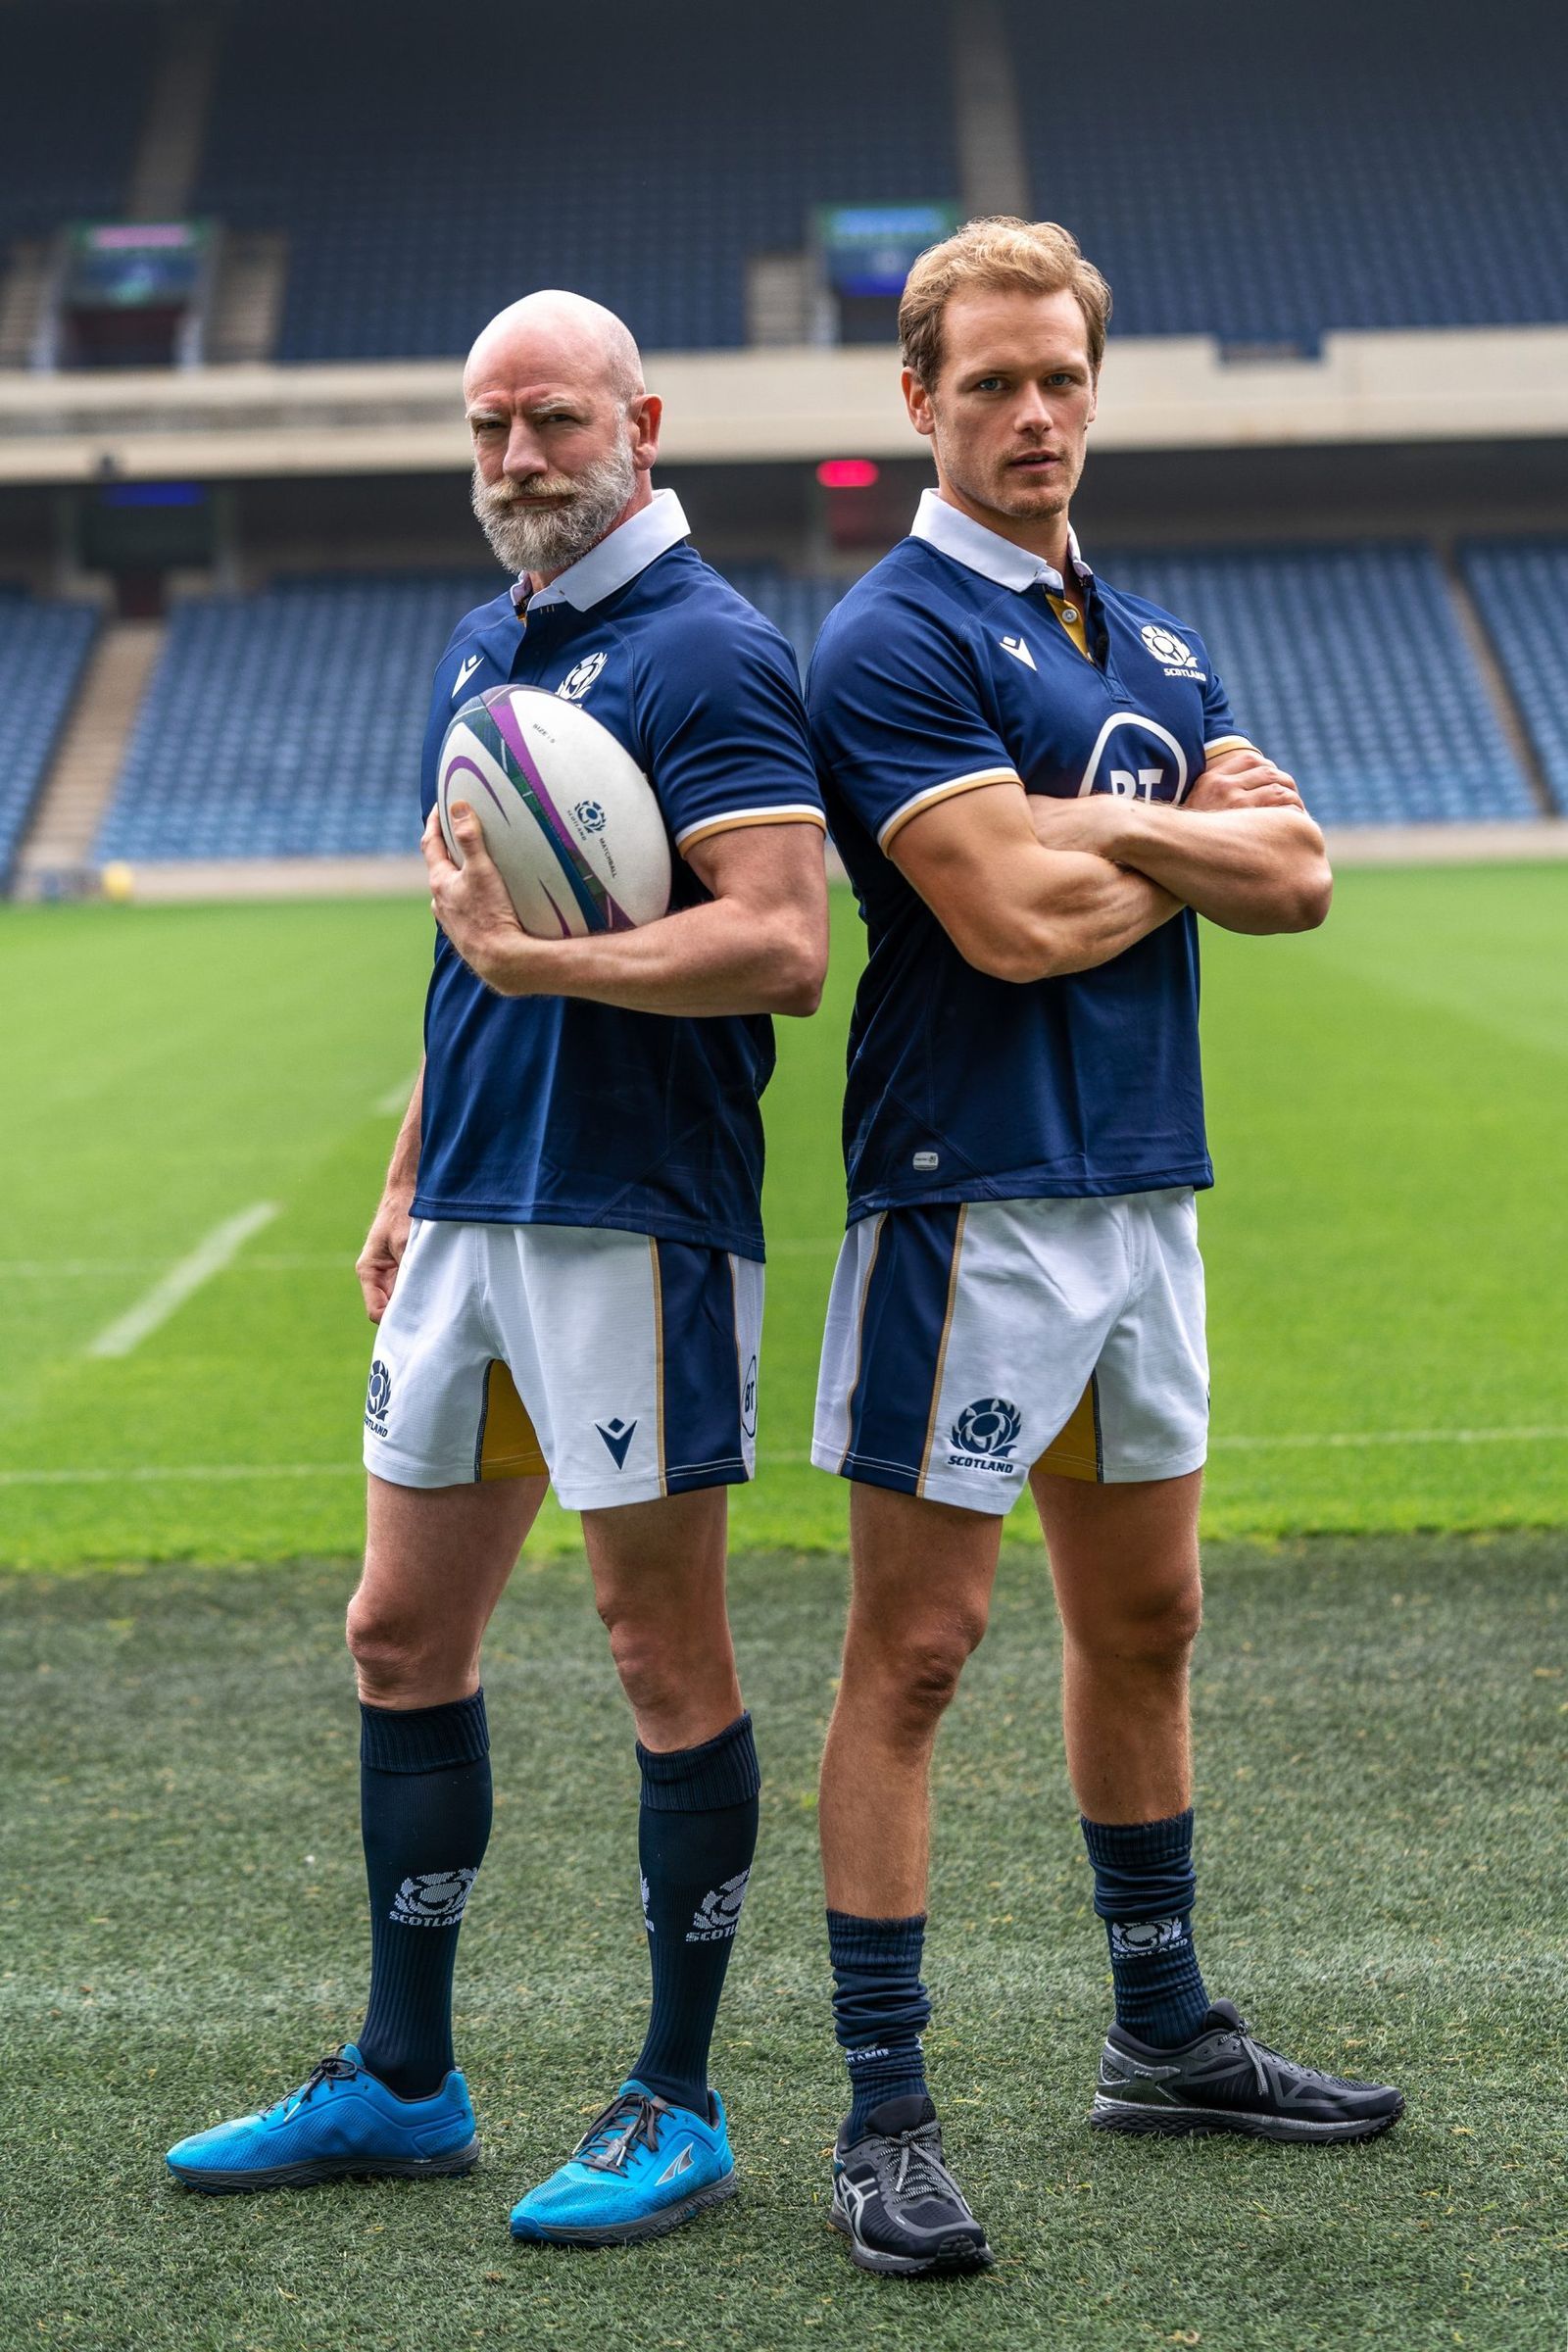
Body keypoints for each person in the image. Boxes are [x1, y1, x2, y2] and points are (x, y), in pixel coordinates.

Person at [166, 290, 829, 2247]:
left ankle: (676, 2098)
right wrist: (401, 1170)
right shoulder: (487, 643)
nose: (518, 461)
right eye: (487, 431)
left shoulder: (711, 651)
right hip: (469, 1210)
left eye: (549, 423)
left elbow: (781, 940)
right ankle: (403, 2076)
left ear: (636, 419)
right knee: (395, 1634)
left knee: (653, 1653)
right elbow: (463, 952)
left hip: (631, 1218)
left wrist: (554, 972)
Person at [805, 218, 1402, 2279]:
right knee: (918, 1652)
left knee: (1147, 1627)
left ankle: (1160, 2031)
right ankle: (879, 2108)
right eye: (987, 382)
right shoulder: (884, 636)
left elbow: (1304, 878)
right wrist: (1175, 837)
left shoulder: (1142, 648)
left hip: (1146, 1189)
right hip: (967, 1196)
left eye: (1057, 376)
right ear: (917, 402)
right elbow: (1005, 923)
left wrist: (1095, 824)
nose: (1032, 412)